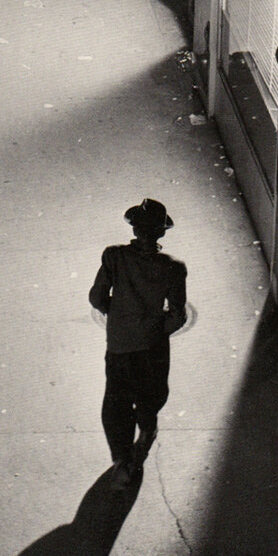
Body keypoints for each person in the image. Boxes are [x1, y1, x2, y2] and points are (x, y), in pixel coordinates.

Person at [89, 198, 187, 487]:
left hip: (119, 344)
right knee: (150, 393)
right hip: (152, 348)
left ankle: (121, 461)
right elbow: (178, 314)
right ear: (162, 233)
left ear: (133, 228)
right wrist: (156, 330)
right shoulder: (173, 268)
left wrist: (117, 314)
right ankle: (146, 431)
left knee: (116, 400)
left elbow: (97, 298)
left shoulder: (114, 257)